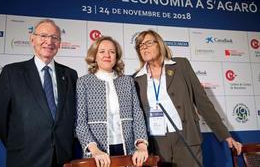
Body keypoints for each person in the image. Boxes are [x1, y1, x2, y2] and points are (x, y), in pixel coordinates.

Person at [133, 30, 242, 167]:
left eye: (148, 43)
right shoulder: (136, 78)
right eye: (140, 46)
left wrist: (225, 134)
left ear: (159, 44)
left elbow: (202, 102)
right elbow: (136, 116)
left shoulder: (181, 65)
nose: (144, 47)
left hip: (186, 138)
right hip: (156, 143)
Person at [0, 19, 78, 167]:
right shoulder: (12, 73)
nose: (49, 41)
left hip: (63, 158)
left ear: (59, 43)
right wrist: (17, 144)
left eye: (54, 37)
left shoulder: (70, 75)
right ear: (32, 39)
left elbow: (73, 115)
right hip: (25, 158)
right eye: (43, 36)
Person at [76, 36, 149, 167]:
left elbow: (137, 115)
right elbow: (80, 122)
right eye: (102, 51)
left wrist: (142, 146)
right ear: (95, 56)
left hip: (128, 150)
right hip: (97, 152)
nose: (107, 55)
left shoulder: (127, 81)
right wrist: (95, 150)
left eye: (112, 51)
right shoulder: (83, 82)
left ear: (116, 56)